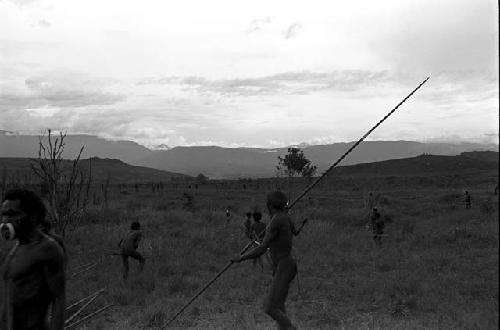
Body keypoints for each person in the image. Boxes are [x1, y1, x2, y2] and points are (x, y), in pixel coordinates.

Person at [232, 191, 298, 330]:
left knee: (270, 308)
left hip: (284, 266)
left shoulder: (276, 221)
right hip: (286, 265)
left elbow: (262, 249)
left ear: (269, 206)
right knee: (279, 306)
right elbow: (295, 231)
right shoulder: (285, 217)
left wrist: (241, 258)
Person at [0, 189, 66, 330]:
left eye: (12, 214)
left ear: (33, 217)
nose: (5, 220)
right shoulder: (13, 248)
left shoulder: (48, 249)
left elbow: (59, 299)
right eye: (3, 214)